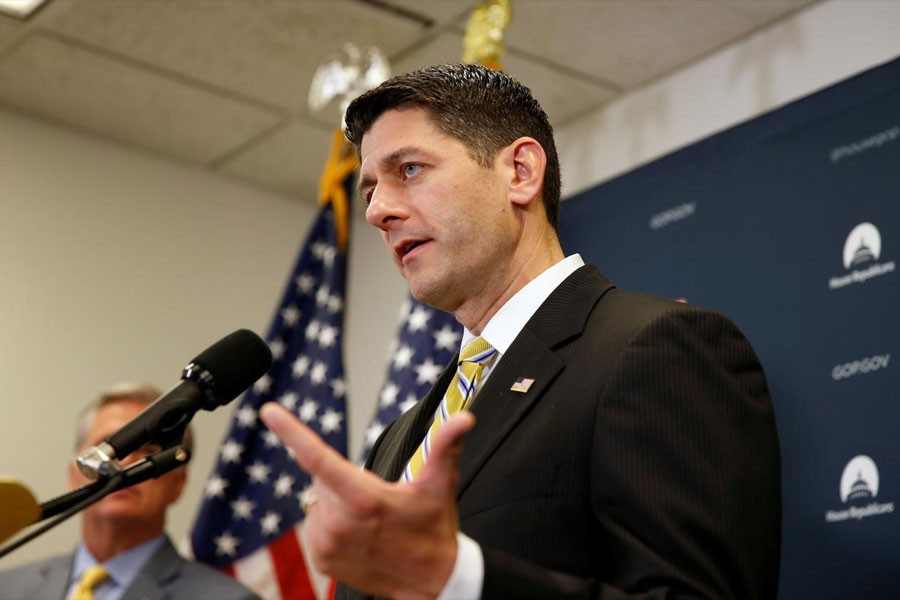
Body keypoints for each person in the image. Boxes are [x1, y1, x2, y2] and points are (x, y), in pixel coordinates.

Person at [260, 63, 782, 599]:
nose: (378, 211)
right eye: (369, 190)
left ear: (520, 172)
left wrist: (457, 577)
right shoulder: (397, 440)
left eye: (410, 169)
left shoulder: (656, 349)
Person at [0, 382, 257, 600]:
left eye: (148, 451)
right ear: (73, 475)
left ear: (178, 484)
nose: (124, 462)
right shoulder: (7, 588)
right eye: (108, 448)